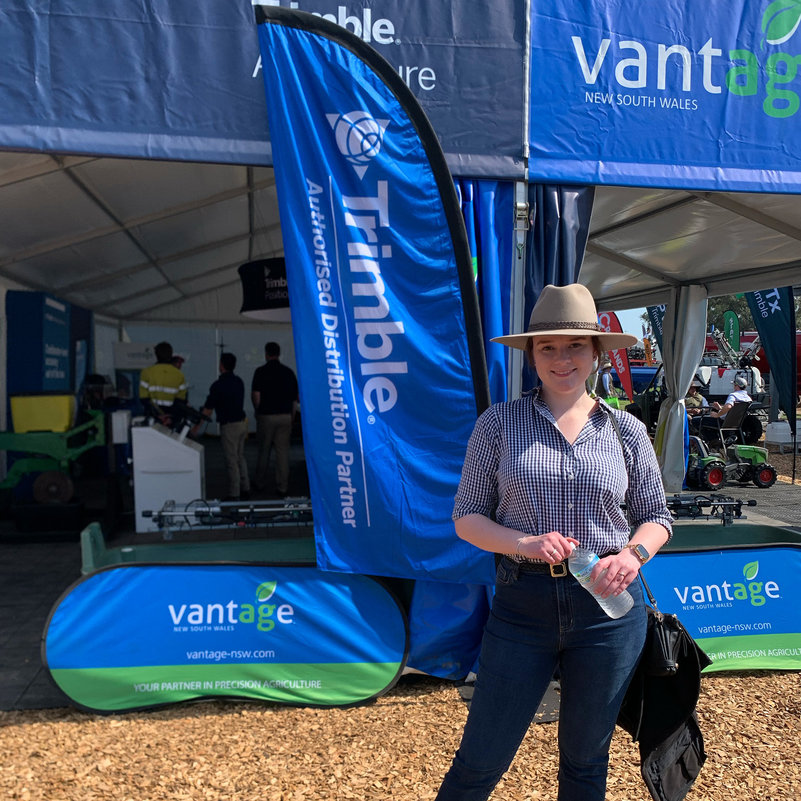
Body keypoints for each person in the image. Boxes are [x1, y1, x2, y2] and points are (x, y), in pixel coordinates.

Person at [435, 284, 672, 801]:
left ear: (596, 354)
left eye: (575, 347)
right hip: (523, 604)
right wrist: (524, 541)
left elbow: (657, 518)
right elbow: (466, 519)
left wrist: (632, 556)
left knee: (586, 762)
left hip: (607, 612)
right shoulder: (497, 424)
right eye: (548, 347)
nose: (562, 359)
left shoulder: (627, 431)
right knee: (481, 758)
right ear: (531, 354)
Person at [196, 353, 250, 501]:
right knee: (240, 457)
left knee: (231, 460)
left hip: (229, 425)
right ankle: (246, 488)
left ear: (221, 365)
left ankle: (235, 493)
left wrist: (197, 428)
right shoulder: (239, 382)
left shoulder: (217, 385)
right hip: (241, 423)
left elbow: (208, 409)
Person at [251, 342, 298, 497]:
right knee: (282, 453)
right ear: (279, 353)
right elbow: (295, 399)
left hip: (267, 416)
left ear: (266, 354)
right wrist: (291, 417)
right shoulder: (289, 372)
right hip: (285, 416)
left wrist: (257, 411)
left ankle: (259, 483)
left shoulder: (260, 372)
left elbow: (256, 396)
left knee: (264, 451)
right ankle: (282, 487)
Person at [139, 341, 187, 424]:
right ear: (171, 354)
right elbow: (181, 401)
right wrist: (169, 417)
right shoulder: (179, 375)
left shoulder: (146, 372)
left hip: (153, 419)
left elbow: (144, 399)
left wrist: (158, 416)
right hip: (170, 420)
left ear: (156, 355)